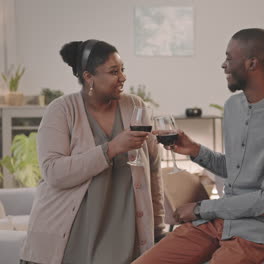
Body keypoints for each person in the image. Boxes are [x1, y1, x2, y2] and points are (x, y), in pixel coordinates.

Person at [133, 28, 264, 264]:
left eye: (229, 58)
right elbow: (236, 169)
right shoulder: (233, 106)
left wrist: (201, 208)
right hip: (216, 224)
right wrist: (195, 150)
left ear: (252, 63)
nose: (223, 65)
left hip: (257, 233)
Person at [20, 39, 165, 264]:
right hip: (74, 236)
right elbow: (53, 172)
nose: (123, 77)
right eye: (114, 72)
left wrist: (157, 224)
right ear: (89, 77)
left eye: (123, 70)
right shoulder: (61, 110)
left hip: (125, 236)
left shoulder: (135, 106)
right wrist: (110, 149)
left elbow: (154, 166)